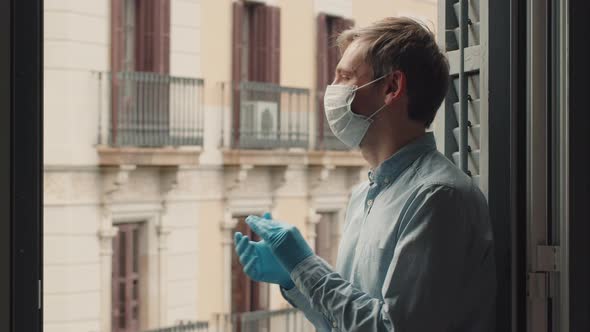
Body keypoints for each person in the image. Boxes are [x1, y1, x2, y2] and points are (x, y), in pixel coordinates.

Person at [234, 17, 496, 331]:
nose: (331, 91)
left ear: (391, 87)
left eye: (345, 77)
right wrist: (293, 279)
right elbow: (348, 324)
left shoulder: (439, 197)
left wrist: (306, 267)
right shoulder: (362, 196)